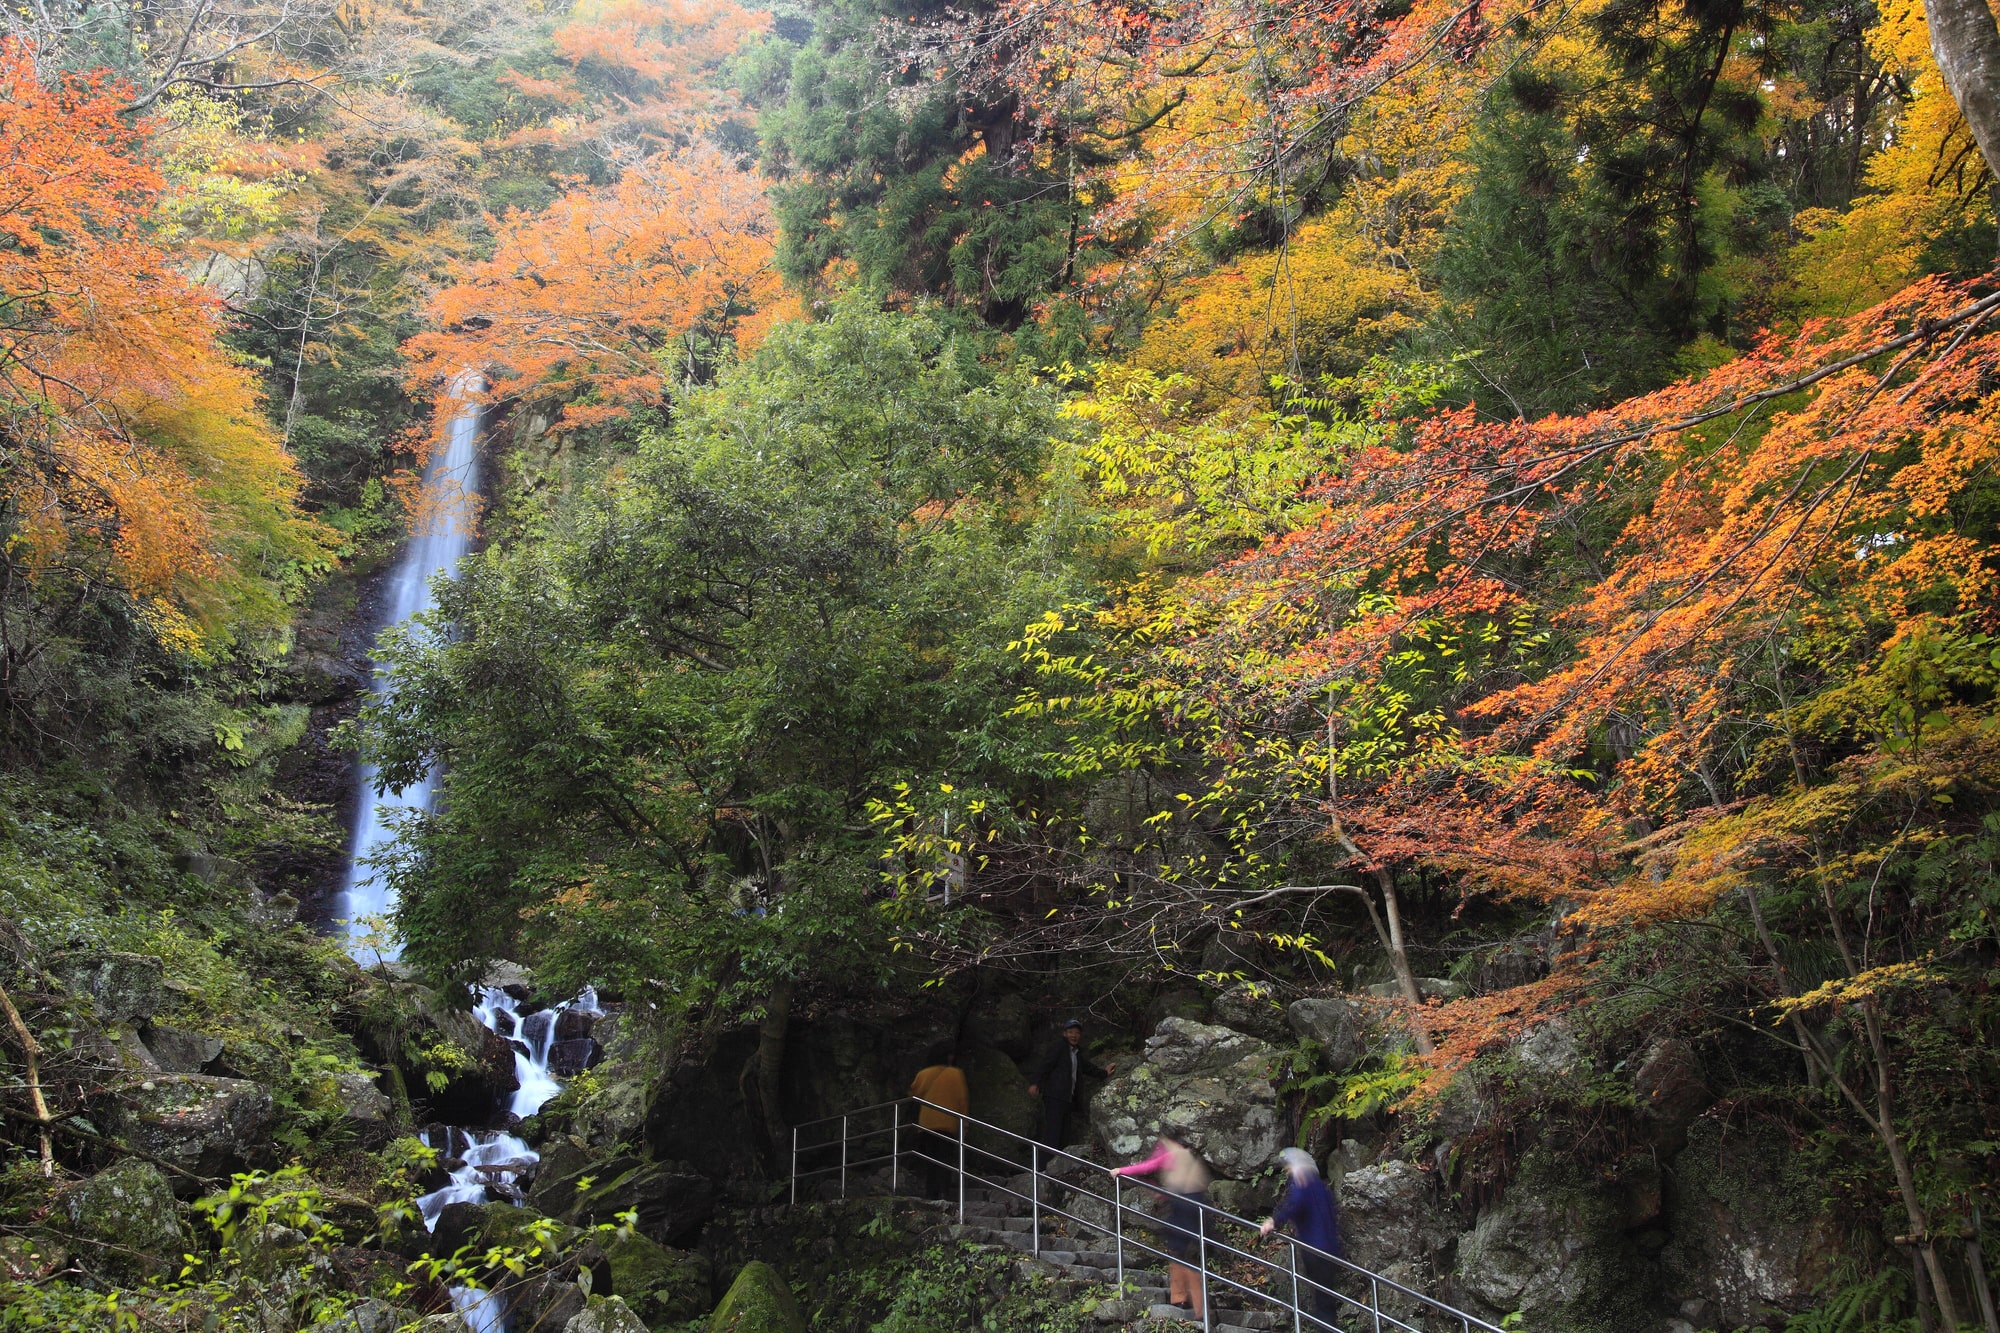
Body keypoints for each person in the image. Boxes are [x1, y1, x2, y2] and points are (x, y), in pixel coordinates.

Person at [1111, 1127, 1211, 1317]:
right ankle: (1182, 1299)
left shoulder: (1172, 1154)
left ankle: (1195, 1306)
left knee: (1179, 1254)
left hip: (1184, 1209)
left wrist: (1120, 1170)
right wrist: (1161, 1192)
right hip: (1195, 1207)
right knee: (1181, 1254)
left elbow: (1147, 1167)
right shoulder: (1189, 1156)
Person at [1260, 1147, 1344, 1327]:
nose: (1288, 1172)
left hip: (1314, 1249)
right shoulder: (1321, 1188)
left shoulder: (1303, 1185)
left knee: (1322, 1301)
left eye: (1289, 1168)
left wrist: (1274, 1221)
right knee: (1326, 1299)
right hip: (1330, 1248)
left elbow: (1295, 1205)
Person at [1027, 1018, 1111, 1163]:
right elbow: (1045, 1065)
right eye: (1070, 1032)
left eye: (1077, 1033)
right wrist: (1035, 1083)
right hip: (1054, 1096)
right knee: (1052, 1133)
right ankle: (1042, 1168)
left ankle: (1056, 1168)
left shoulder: (1076, 1053)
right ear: (1064, 1034)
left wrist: (1104, 1073)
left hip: (1067, 1099)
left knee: (1064, 1136)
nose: (1074, 1035)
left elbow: (1088, 1068)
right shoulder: (1058, 1048)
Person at [907, 1046, 969, 1200]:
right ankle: (943, 1192)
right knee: (945, 1159)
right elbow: (963, 1100)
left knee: (930, 1160)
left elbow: (913, 1093)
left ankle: (930, 1193)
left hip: (927, 1124)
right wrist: (965, 1123)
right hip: (948, 1123)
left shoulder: (923, 1074)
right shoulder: (956, 1074)